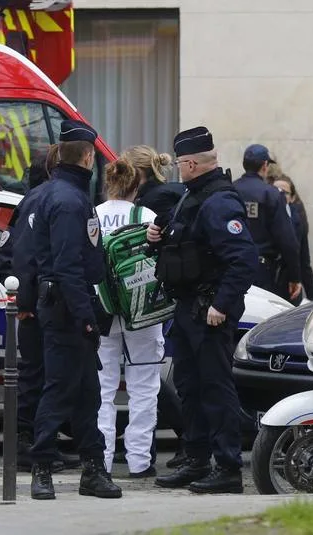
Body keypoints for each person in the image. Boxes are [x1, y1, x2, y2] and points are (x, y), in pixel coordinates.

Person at [148, 126, 258, 494]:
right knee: (189, 387)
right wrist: (156, 238)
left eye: (180, 163)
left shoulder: (220, 202)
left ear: (191, 163)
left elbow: (243, 260)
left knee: (215, 388)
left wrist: (221, 305)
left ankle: (227, 467)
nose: (177, 168)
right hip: (188, 309)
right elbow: (183, 245)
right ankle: (196, 459)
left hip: (208, 311)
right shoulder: (192, 197)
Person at [28, 121, 122, 501]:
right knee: (60, 391)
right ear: (87, 156)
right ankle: (43, 468)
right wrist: (86, 316)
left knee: (87, 393)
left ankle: (92, 469)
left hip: (67, 304)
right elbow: (68, 266)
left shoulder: (62, 193)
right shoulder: (68, 200)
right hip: (67, 308)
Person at [0, 146, 79, 472]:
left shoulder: (30, 203)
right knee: (37, 379)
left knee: (43, 378)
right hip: (39, 308)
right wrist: (27, 303)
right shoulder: (42, 203)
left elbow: (10, 257)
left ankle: (41, 442)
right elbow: (20, 259)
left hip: (36, 306)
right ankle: (29, 446)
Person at [95, 157, 164, 479]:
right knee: (144, 387)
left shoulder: (93, 216)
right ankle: (139, 461)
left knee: (102, 389)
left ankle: (102, 459)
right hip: (142, 310)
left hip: (103, 310)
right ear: (137, 187)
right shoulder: (146, 216)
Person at [122, 145, 188, 469]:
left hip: (154, 294)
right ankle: (143, 445)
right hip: (166, 291)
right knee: (149, 375)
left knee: (149, 377)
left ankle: (182, 436)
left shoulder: (152, 202)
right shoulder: (165, 194)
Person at [232, 144, 301, 302]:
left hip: (231, 267)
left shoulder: (231, 190)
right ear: (265, 165)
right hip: (261, 271)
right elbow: (287, 240)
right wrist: (294, 277)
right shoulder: (272, 195)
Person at [274, 174, 313, 302]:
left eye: (285, 193)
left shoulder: (297, 220)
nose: (280, 196)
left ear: (292, 197)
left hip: (289, 285)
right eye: (276, 191)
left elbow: (304, 260)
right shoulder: (266, 218)